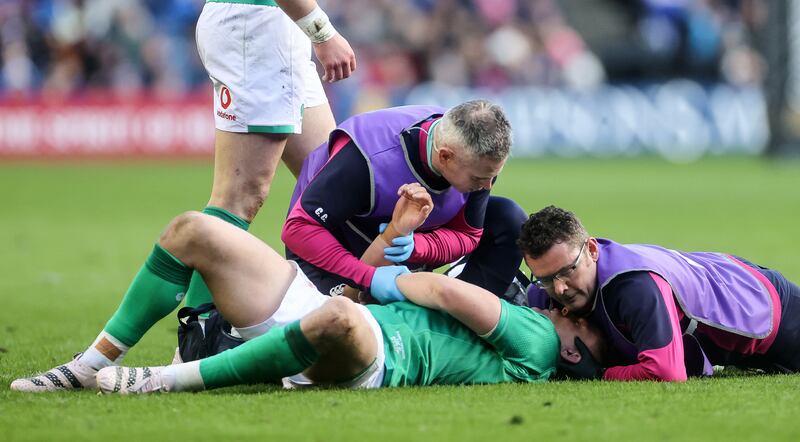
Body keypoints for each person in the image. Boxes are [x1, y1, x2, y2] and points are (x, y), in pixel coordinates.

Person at [11, 185, 602, 392]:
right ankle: (89, 365)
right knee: (195, 230)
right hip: (337, 313)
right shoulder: (521, 332)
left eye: (578, 315)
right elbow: (361, 292)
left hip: (371, 355)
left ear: (576, 348)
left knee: (338, 321)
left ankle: (165, 379)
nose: (557, 296)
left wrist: (403, 270)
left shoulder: (541, 343)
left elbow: (442, 293)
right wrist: (395, 236)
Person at [182, 0, 357, 311]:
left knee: (332, 181)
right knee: (238, 199)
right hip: (259, 23)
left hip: (282, 23)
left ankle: (336, 313)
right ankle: (196, 331)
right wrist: (322, 32)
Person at [282, 100, 528, 301]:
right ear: (445, 156)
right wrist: (368, 277)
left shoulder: (471, 152)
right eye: (479, 177)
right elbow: (298, 229)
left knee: (509, 219)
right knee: (358, 334)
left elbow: (467, 234)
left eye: (492, 176)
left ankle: (460, 330)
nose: (486, 186)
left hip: (402, 248)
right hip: (333, 255)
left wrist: (417, 245)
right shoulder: (365, 160)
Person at [519, 205, 800, 381]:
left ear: (591, 250)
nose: (559, 288)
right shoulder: (549, 292)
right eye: (545, 278)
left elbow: (665, 371)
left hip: (771, 311)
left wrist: (599, 375)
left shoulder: (635, 287)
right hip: (724, 286)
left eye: (568, 270)